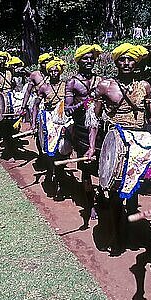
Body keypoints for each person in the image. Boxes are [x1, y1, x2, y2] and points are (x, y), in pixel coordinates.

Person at [87, 43, 151, 255]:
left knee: (132, 191)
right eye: (122, 59)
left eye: (131, 59)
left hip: (139, 144)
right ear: (116, 62)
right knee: (113, 193)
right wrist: (92, 146)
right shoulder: (105, 86)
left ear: (136, 62)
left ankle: (130, 228)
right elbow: (93, 117)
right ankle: (117, 235)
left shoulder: (145, 87)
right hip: (115, 141)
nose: (127, 63)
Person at [64, 44, 104, 224]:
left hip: (99, 128)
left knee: (103, 163)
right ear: (79, 61)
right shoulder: (72, 82)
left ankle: (103, 196)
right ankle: (90, 205)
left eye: (91, 58)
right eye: (85, 59)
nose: (89, 61)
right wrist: (84, 104)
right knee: (86, 167)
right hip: (81, 129)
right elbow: (67, 110)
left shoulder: (101, 80)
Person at [32, 57, 72, 200]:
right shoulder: (44, 87)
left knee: (64, 147)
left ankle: (60, 174)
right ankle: (52, 172)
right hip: (48, 120)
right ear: (48, 72)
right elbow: (36, 104)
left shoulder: (66, 85)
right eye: (52, 71)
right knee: (51, 150)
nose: (55, 73)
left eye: (57, 70)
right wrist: (34, 122)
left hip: (63, 119)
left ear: (60, 72)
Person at [22, 52, 53, 122]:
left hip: (50, 101)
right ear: (40, 64)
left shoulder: (53, 73)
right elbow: (28, 91)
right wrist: (23, 106)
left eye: (48, 63)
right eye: (44, 63)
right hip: (38, 101)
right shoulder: (35, 75)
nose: (46, 65)